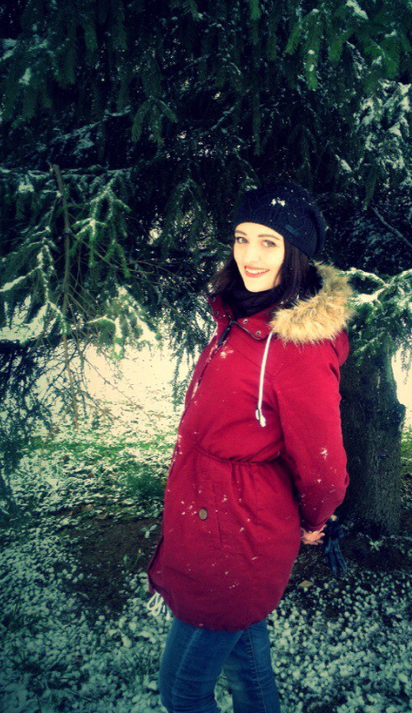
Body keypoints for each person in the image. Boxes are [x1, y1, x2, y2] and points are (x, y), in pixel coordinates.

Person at [147, 182, 354, 713]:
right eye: (242, 238)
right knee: (249, 671)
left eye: (268, 242)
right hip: (208, 518)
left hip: (239, 535)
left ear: (295, 252)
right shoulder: (240, 314)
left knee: (182, 691)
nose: (250, 256)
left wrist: (316, 519)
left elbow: (324, 465)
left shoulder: (299, 347)